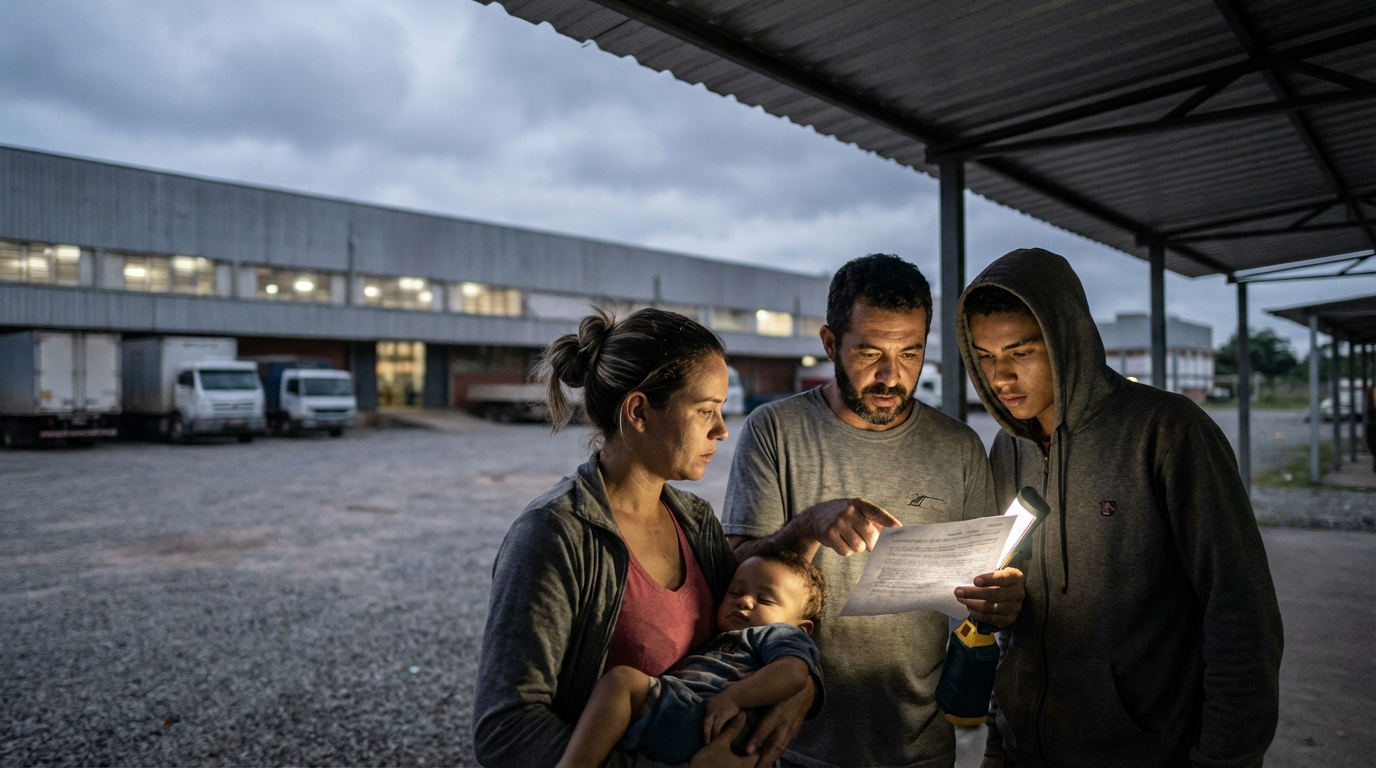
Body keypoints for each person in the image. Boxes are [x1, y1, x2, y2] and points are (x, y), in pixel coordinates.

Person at [956, 248, 1283, 767]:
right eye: (985, 356)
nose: (1000, 377)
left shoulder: (1168, 432)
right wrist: (1000, 740)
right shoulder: (1008, 448)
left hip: (1143, 752)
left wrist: (1224, 759)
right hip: (1025, 752)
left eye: (1020, 352)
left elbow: (1241, 613)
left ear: (1067, 340)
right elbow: (1014, 623)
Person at [472, 308, 816, 768]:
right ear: (638, 412)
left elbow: (760, 631)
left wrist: (804, 688)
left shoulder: (695, 521)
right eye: (705, 411)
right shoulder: (553, 535)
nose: (721, 429)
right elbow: (505, 732)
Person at [723, 254, 1026, 766]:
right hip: (792, 744)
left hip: (920, 747)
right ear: (829, 344)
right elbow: (735, 576)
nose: (891, 375)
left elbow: (986, 583)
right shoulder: (774, 431)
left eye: (910, 353)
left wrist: (1002, 599)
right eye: (869, 353)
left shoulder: (958, 447)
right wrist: (809, 525)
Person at [557, 550, 827, 768]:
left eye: (765, 599)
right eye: (735, 592)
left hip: (709, 719)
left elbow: (794, 673)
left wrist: (735, 697)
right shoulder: (718, 638)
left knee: (621, 682)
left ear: (801, 629)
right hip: (692, 723)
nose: (744, 601)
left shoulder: (777, 634)